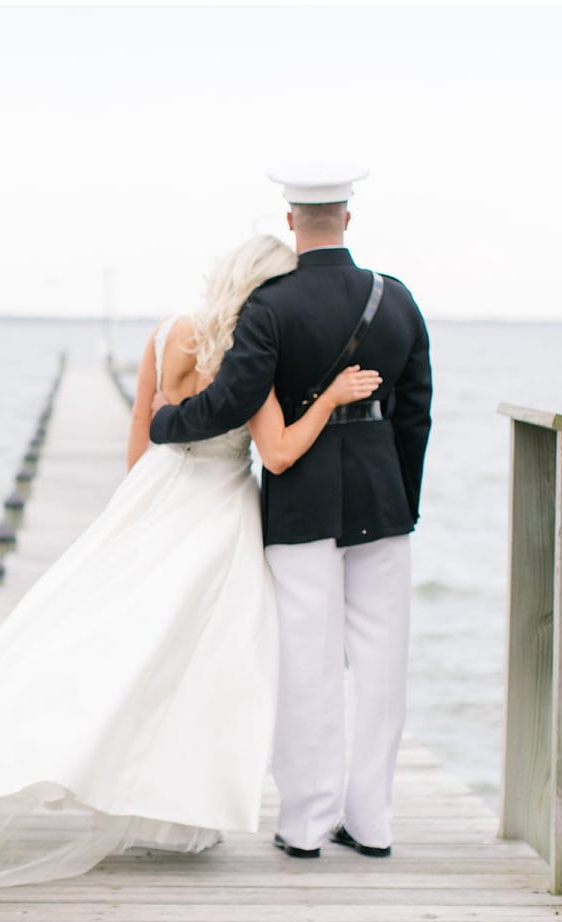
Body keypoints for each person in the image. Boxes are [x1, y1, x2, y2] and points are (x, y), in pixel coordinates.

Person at [0, 234, 382, 900]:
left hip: (155, 492)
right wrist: (332, 398)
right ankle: (173, 805)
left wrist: (132, 510)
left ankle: (95, 770)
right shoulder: (255, 351)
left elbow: (142, 426)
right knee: (209, 658)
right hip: (219, 506)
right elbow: (275, 453)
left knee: (108, 635)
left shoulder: (171, 330)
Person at [150, 166, 433, 860]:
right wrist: (405, 500)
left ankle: (304, 824)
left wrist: (167, 422)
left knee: (306, 664)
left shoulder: (270, 306)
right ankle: (372, 823)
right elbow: (415, 411)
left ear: (290, 220)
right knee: (381, 662)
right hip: (381, 498)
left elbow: (232, 399)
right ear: (346, 217)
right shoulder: (395, 300)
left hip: (303, 500)